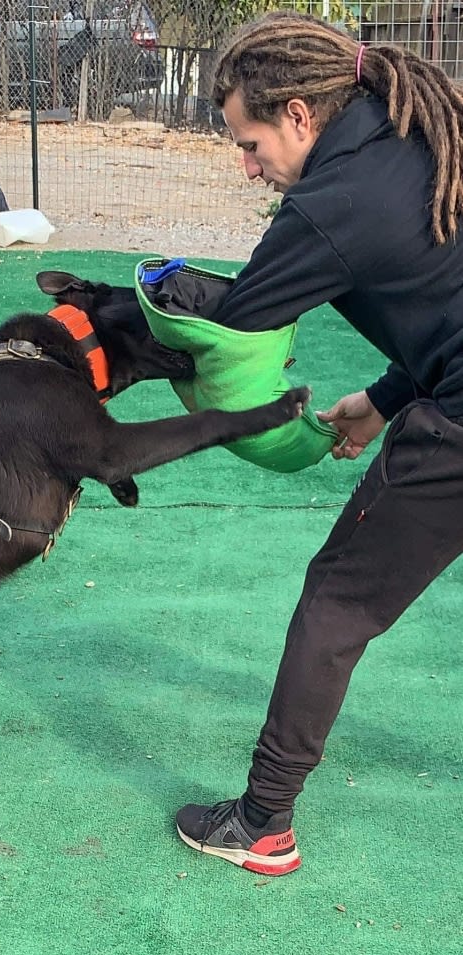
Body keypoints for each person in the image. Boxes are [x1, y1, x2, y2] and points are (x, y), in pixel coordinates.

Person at [174, 11, 463, 875]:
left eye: (252, 141)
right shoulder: (412, 134)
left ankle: (262, 822)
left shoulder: (333, 202)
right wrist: (380, 398)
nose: (248, 164)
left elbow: (234, 325)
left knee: (338, 602)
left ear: (301, 115)